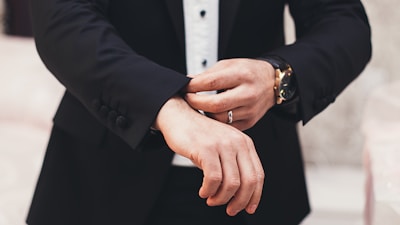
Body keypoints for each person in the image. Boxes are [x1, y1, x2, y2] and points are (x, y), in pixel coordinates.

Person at [26, 0, 371, 225]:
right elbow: (63, 19)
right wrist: (163, 105)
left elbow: (344, 22)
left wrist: (277, 77)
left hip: (255, 184)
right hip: (98, 179)